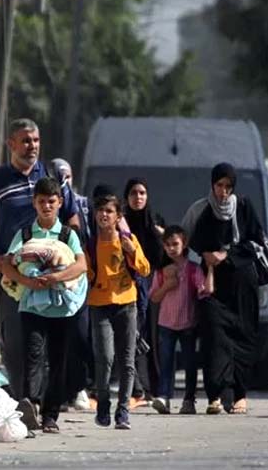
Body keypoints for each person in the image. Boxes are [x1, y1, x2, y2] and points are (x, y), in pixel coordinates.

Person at [0, 119, 80, 398]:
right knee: (16, 343)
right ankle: (24, 401)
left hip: (53, 275)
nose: (32, 146)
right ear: (11, 144)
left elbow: (72, 218)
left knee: (51, 341)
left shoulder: (51, 175)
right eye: (25, 140)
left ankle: (47, 403)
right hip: (13, 278)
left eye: (35, 140)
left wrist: (67, 257)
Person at [1, 177, 88, 433]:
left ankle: (51, 416)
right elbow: (7, 264)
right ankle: (31, 407)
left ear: (60, 203)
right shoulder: (25, 234)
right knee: (33, 358)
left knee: (58, 360)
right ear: (34, 203)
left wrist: (55, 278)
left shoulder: (67, 234)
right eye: (41, 202)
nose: (46, 206)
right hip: (32, 307)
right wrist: (26, 279)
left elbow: (81, 265)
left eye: (51, 201)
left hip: (62, 309)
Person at [182, 163, 268, 415]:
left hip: (243, 284)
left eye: (228, 187)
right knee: (213, 339)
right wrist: (206, 257)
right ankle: (215, 394)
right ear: (212, 185)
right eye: (219, 186)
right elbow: (184, 241)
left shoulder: (243, 207)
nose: (223, 192)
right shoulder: (200, 209)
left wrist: (226, 254)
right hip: (211, 286)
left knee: (242, 336)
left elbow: (257, 242)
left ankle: (240, 394)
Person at [87, 186, 150, 430]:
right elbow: (87, 274)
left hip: (127, 303)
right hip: (99, 304)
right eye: (100, 210)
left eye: (109, 211)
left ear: (117, 216)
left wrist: (133, 252)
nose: (104, 215)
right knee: (104, 358)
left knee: (127, 360)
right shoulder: (91, 245)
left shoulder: (128, 240)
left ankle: (122, 411)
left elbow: (144, 270)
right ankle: (103, 404)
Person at [150, 225, 214, 415]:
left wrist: (210, 269)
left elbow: (204, 291)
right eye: (167, 245)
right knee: (166, 360)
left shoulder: (192, 269)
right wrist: (168, 285)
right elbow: (154, 297)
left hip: (188, 323)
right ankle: (164, 396)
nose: (171, 248)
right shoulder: (162, 270)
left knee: (189, 363)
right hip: (166, 323)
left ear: (184, 243)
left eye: (175, 244)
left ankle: (189, 399)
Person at [49, 158, 93, 412]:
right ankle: (57, 392)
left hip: (78, 280)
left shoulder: (83, 205)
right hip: (49, 279)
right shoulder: (44, 205)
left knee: (79, 335)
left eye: (65, 175)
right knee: (54, 337)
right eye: (57, 175)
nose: (62, 179)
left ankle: (78, 387)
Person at [123, 178, 165, 410]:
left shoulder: (155, 223)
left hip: (152, 288)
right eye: (133, 193)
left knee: (153, 339)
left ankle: (156, 388)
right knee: (132, 337)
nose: (138, 198)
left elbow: (164, 258)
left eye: (142, 193)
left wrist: (160, 234)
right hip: (127, 287)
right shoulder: (122, 224)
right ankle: (136, 388)